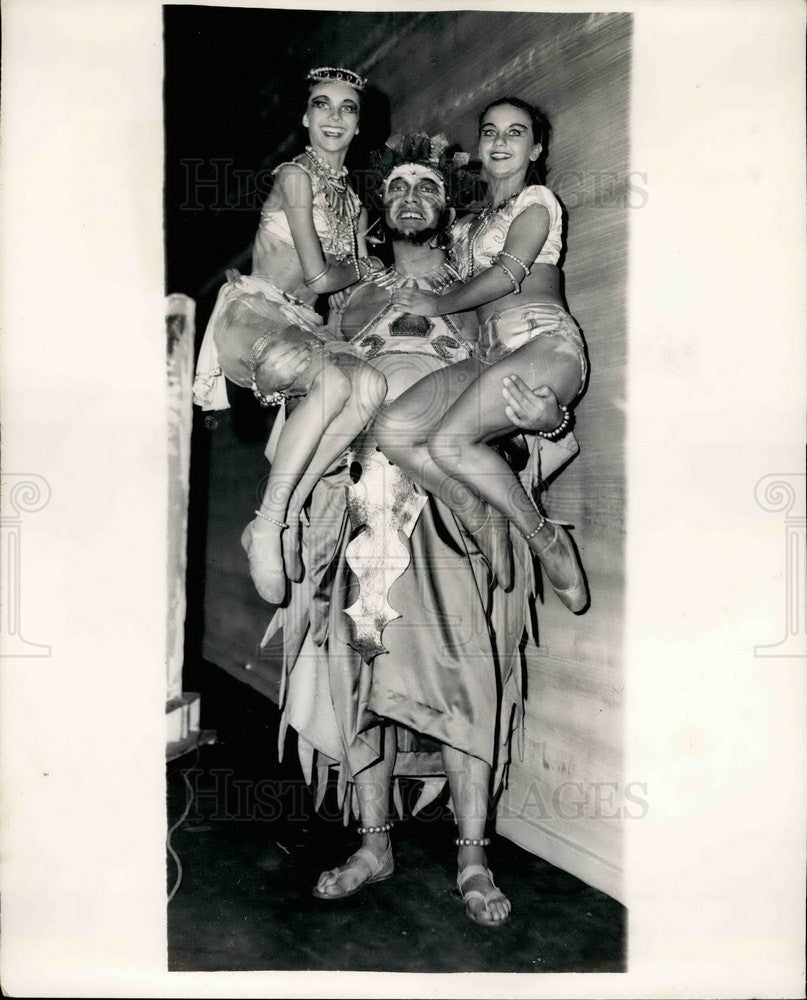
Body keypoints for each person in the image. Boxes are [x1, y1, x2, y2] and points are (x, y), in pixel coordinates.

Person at [251, 133, 576, 927]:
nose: (408, 194)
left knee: (467, 672)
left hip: (450, 510)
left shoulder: (480, 291)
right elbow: (312, 398)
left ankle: (471, 854)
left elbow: (525, 387)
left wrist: (547, 414)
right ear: (380, 207)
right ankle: (373, 843)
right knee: (358, 677)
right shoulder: (347, 296)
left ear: (447, 205)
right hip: (361, 506)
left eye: (426, 184)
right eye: (394, 183)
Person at [378, 98, 589, 613]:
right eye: (490, 131)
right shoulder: (468, 227)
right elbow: (415, 236)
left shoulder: (536, 200)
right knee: (393, 429)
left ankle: (546, 538)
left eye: (515, 133)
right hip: (491, 355)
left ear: (535, 148)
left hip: (544, 343)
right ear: (479, 145)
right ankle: (474, 508)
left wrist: (438, 302)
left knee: (449, 444)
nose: (500, 141)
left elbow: (510, 274)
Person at [193, 66, 388, 606]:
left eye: (346, 108)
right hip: (254, 317)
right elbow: (323, 277)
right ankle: (271, 520)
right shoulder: (295, 176)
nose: (333, 116)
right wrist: (369, 266)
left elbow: (339, 300)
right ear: (306, 118)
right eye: (322, 105)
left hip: (304, 328)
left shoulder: (354, 204)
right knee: (332, 384)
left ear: (357, 125)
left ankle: (276, 523)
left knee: (369, 386)